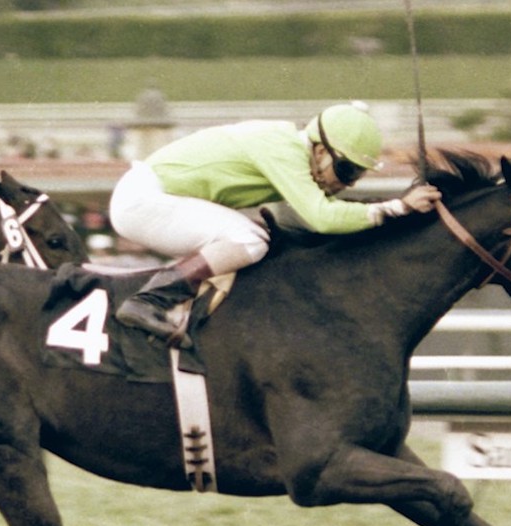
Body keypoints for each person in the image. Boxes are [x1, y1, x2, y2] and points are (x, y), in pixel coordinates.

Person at [109, 101, 442, 346]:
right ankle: (150, 300)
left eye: (357, 175)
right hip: (143, 201)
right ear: (321, 150)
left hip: (155, 198)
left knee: (257, 235)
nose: (349, 183)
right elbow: (322, 218)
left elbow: (294, 218)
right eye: (347, 171)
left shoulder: (289, 151)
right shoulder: (284, 150)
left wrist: (388, 210)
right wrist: (397, 207)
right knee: (249, 240)